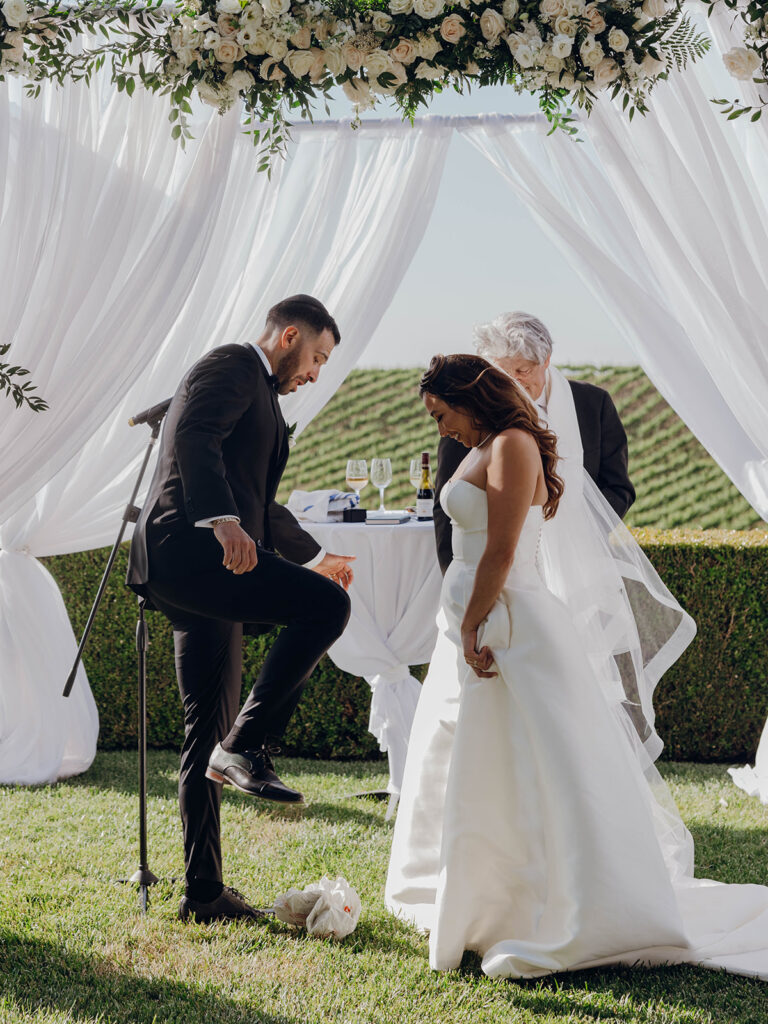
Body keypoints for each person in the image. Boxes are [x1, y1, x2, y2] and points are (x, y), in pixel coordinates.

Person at [385, 354, 768, 980]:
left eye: (443, 414)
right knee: (492, 766)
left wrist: (472, 622)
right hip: (488, 626)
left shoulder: (513, 445)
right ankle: (490, 899)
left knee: (541, 765)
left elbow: (504, 552)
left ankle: (554, 904)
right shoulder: (490, 442)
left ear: (471, 397)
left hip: (512, 627)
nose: (441, 430)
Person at [127, 295, 355, 924]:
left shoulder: (260, 391)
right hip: (191, 552)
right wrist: (222, 521)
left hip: (207, 568)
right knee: (327, 610)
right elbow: (194, 437)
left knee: (205, 734)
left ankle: (203, 892)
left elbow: (256, 503)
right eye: (316, 356)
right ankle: (247, 744)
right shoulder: (231, 364)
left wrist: (313, 559)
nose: (314, 373)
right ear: (287, 336)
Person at [434, 312, 634, 575]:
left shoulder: (593, 404)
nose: (514, 381)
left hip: (581, 568)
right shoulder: (471, 414)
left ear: (546, 360)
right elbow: (445, 501)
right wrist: (454, 572)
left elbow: (619, 488)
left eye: (523, 370)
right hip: (496, 568)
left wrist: (578, 534)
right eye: (503, 372)